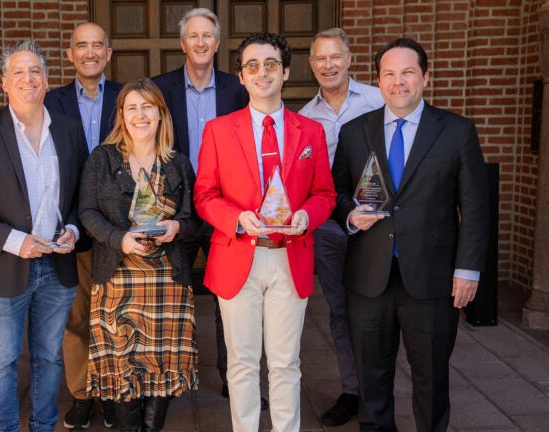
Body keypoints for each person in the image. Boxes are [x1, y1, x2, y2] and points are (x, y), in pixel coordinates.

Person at [331, 38, 489, 431]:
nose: (398, 82)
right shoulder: (354, 133)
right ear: (378, 81)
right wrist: (351, 216)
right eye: (389, 74)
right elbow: (334, 193)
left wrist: (468, 270)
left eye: (407, 73)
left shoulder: (456, 131)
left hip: (433, 279)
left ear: (425, 77)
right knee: (371, 381)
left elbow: (474, 206)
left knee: (432, 379)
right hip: (369, 276)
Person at [194, 33, 336, 432]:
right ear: (240, 76)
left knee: (285, 362)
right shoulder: (219, 130)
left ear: (286, 71)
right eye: (252, 65)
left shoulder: (310, 131)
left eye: (271, 64)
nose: (262, 72)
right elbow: (204, 195)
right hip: (238, 254)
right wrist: (237, 218)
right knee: (241, 363)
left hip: (290, 258)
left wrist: (308, 215)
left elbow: (325, 193)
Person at [0, 40, 88, 432]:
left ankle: (43, 426)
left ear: (46, 80)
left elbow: (82, 194)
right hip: (4, 265)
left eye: (35, 72)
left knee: (49, 357)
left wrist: (75, 230)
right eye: (19, 72)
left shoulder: (67, 129)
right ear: (4, 83)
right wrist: (14, 240)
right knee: (4, 359)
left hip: (58, 264)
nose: (28, 79)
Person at [151, 7, 258, 408]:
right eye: (192, 36)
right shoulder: (160, 88)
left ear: (216, 43)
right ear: (183, 44)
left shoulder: (236, 89)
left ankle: (236, 380)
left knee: (233, 300)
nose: (200, 43)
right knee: (170, 296)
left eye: (207, 36)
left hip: (226, 208)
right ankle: (169, 382)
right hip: (176, 210)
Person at [79, 77, 199, 432]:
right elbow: (86, 213)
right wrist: (119, 238)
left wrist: (176, 228)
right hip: (116, 278)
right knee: (121, 365)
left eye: (148, 106)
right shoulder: (101, 159)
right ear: (121, 115)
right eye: (132, 107)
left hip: (167, 281)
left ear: (161, 114)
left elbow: (194, 220)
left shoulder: (178, 163)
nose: (140, 115)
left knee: (162, 366)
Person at [298, 27, 384, 427]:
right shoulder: (303, 118)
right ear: (311, 65)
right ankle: (353, 390)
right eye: (320, 58)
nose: (328, 65)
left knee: (380, 308)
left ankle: (378, 393)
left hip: (377, 226)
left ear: (349, 59)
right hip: (329, 229)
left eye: (335, 57)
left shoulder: (378, 99)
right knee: (340, 309)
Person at [44, 22, 122, 430]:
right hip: (69, 229)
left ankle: (111, 392)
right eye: (81, 46)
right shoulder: (50, 101)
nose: (89, 52)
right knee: (75, 319)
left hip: (117, 231)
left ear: (108, 53)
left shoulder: (128, 97)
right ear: (69, 54)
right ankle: (81, 394)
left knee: (114, 317)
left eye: (97, 46)